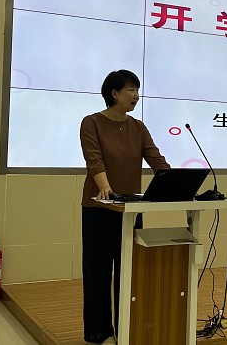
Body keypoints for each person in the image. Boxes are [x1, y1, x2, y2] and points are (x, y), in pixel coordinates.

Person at [80, 69, 170, 344]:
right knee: (97, 271)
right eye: (131, 89)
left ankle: (126, 328)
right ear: (114, 93)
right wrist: (105, 188)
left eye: (137, 90)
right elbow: (94, 160)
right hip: (99, 208)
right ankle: (100, 333)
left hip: (130, 210)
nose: (136, 95)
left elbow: (156, 159)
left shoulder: (138, 127)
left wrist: (177, 184)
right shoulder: (91, 123)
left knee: (129, 271)